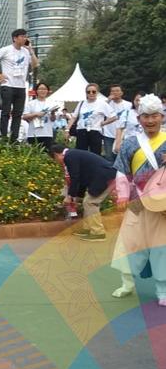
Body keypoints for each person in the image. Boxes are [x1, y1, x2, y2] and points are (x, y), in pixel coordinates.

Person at [110, 94, 166, 307]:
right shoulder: (130, 143)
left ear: (161, 117)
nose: (150, 121)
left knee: (162, 247)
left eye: (154, 116)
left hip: (162, 204)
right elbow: (122, 172)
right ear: (139, 118)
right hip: (137, 201)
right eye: (145, 116)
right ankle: (127, 283)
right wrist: (123, 195)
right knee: (129, 243)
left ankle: (163, 290)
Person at [50, 144, 116, 242]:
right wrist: (75, 196)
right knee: (87, 201)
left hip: (105, 177)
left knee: (90, 202)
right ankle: (88, 228)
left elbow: (75, 177)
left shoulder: (69, 156)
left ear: (56, 155)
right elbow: (80, 178)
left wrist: (70, 196)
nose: (57, 162)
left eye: (55, 159)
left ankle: (98, 233)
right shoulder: (73, 154)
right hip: (104, 175)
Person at [0, 28, 39, 141]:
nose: (25, 39)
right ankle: (4, 137)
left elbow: (35, 65)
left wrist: (31, 50)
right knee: (6, 112)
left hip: (21, 86)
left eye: (26, 37)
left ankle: (14, 139)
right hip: (8, 85)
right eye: (22, 36)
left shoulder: (26, 51)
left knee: (18, 114)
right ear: (15, 38)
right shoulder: (6, 50)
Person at [66, 83, 117, 155]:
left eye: (93, 91)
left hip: (95, 131)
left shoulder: (102, 103)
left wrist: (103, 123)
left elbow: (114, 116)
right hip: (82, 130)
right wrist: (67, 129)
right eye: (88, 92)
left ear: (97, 93)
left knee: (95, 154)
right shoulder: (82, 103)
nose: (91, 93)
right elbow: (74, 117)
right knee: (80, 153)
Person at [22, 83, 57, 152]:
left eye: (44, 89)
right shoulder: (31, 103)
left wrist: (53, 113)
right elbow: (24, 116)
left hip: (47, 134)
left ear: (48, 91)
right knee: (34, 153)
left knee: (47, 154)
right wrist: (36, 114)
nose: (42, 91)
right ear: (36, 91)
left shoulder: (51, 103)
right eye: (40, 89)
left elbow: (53, 119)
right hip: (33, 134)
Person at [103, 85, 132, 163]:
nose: (115, 93)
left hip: (122, 135)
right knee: (109, 157)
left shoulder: (128, 105)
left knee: (121, 157)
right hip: (108, 134)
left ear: (121, 93)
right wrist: (108, 100)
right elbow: (99, 110)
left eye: (117, 91)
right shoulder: (106, 104)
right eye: (112, 91)